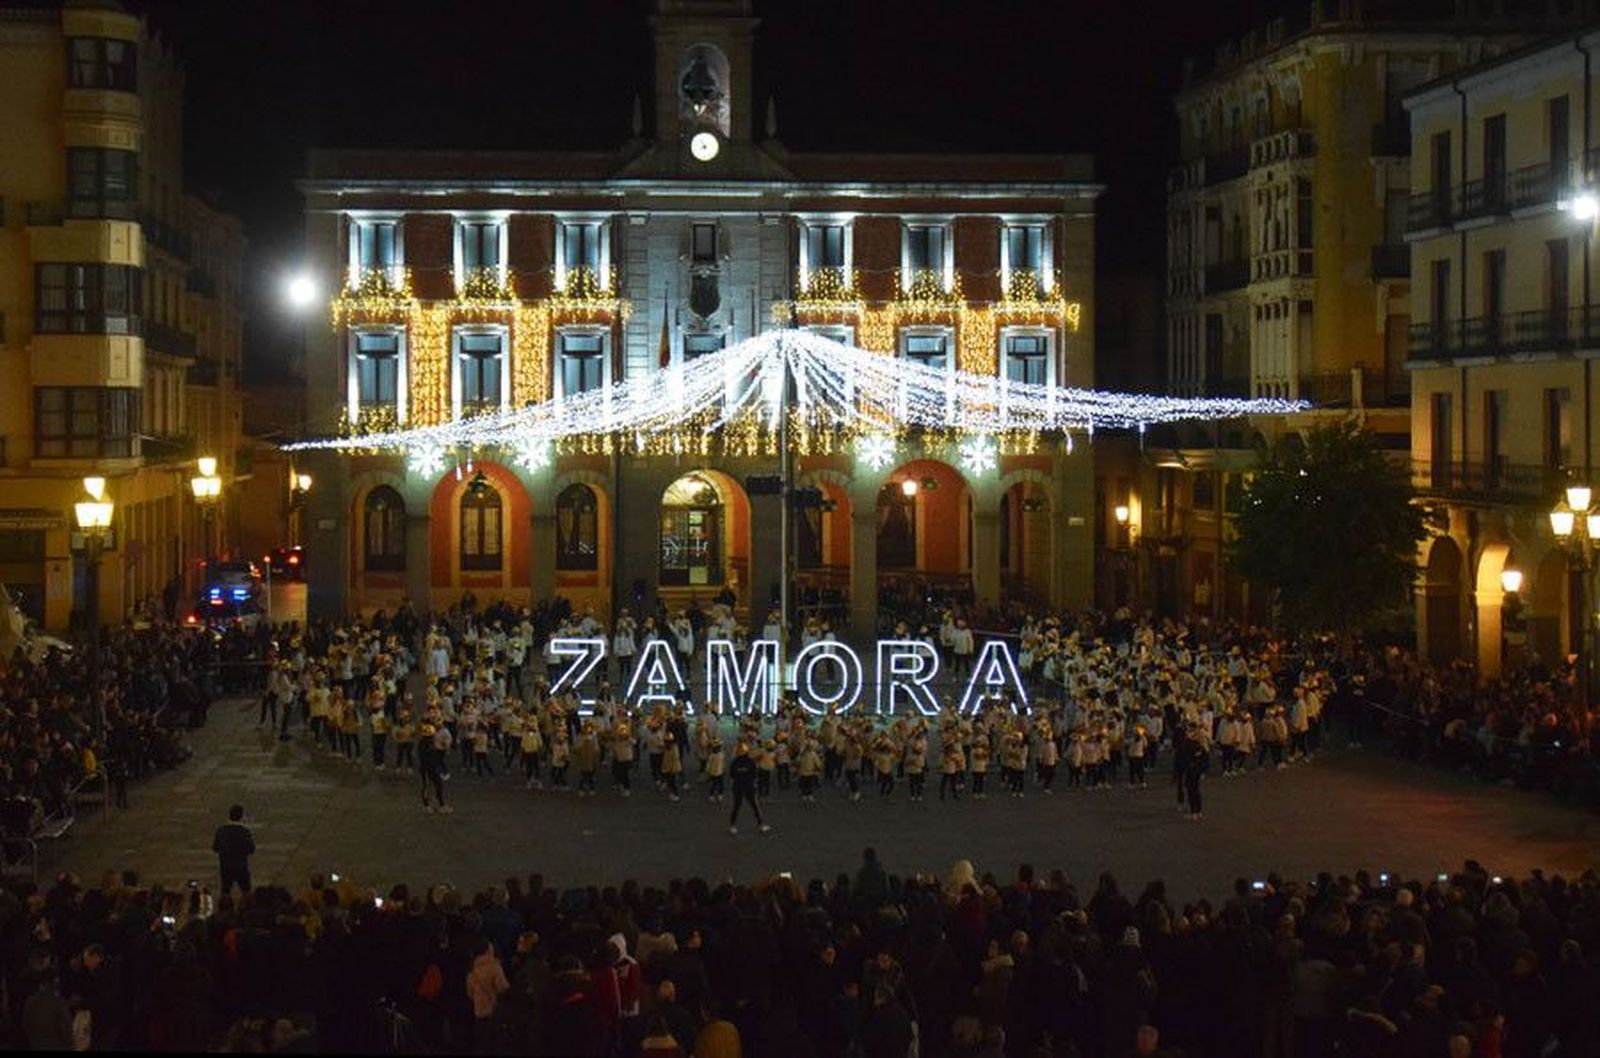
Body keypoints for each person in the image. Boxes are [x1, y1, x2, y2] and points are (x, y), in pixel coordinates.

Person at [727, 741, 770, 835]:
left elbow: (731, 774)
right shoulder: (750, 761)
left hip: (738, 786)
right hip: (749, 786)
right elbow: (754, 774)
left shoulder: (734, 762)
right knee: (755, 806)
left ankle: (732, 825)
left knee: (736, 806)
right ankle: (761, 825)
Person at [212, 803, 255, 896]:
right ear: (241, 816)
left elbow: (215, 847)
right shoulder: (245, 831)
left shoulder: (221, 830)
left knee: (226, 891)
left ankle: (225, 903)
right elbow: (251, 849)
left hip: (225, 865)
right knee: (246, 890)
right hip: (241, 865)